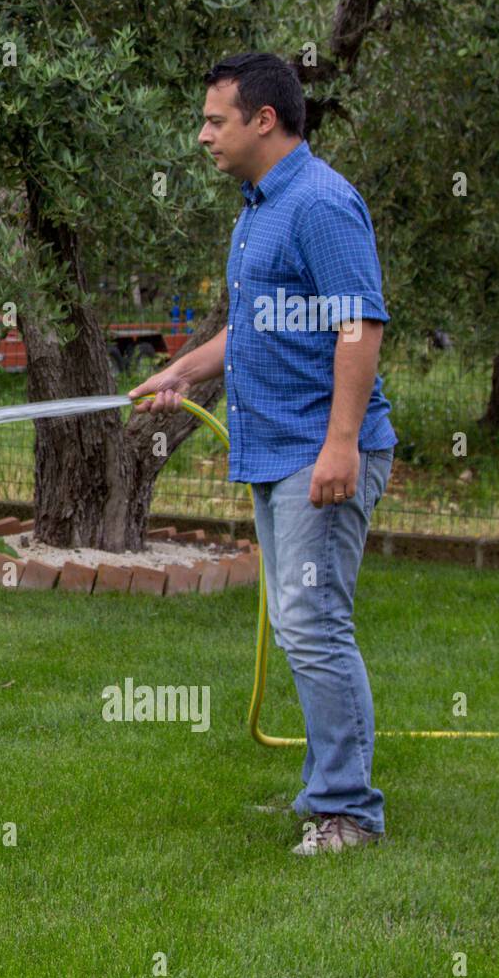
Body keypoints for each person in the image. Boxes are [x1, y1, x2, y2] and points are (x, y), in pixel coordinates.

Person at [130, 52, 397, 856]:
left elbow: (360, 325)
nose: (203, 135)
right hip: (278, 452)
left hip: (319, 454)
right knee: (299, 624)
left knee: (313, 626)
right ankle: (326, 793)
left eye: (216, 120)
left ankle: (347, 812)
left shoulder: (320, 204)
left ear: (264, 121)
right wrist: (182, 368)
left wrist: (341, 444)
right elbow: (252, 331)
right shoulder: (257, 210)